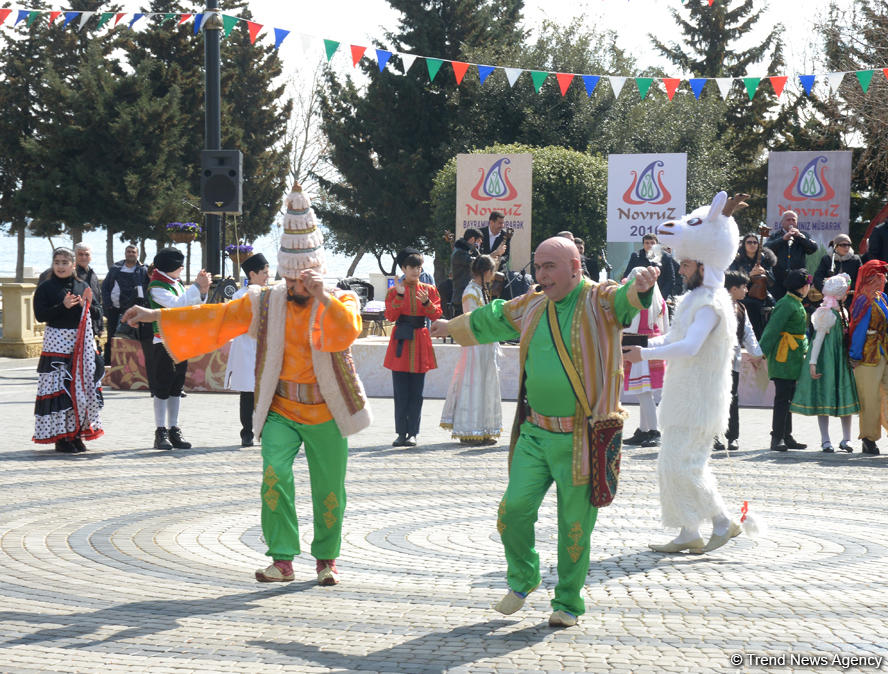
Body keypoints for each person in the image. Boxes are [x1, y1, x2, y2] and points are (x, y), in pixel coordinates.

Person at [123, 183, 371, 586]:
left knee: (329, 490)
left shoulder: (339, 300)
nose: (294, 290)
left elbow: (346, 334)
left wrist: (322, 296)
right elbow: (216, 318)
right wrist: (154, 317)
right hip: (282, 409)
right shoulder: (267, 299)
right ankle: (283, 560)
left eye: (302, 283)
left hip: (327, 411)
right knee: (274, 474)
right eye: (290, 282)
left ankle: (326, 559)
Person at [431, 236, 658, 628]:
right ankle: (524, 577)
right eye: (537, 266)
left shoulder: (598, 299)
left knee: (574, 527)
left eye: (549, 266)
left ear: (575, 266)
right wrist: (450, 326)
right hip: (535, 433)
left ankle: (568, 602)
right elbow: (493, 317)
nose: (541, 275)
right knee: (512, 511)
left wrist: (642, 287)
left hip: (582, 439)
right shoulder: (533, 302)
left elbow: (626, 300)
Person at [624, 192, 748, 556]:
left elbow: (690, 346)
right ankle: (688, 530)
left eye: (686, 264)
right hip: (684, 396)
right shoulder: (696, 299)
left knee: (686, 465)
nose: (679, 269)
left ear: (703, 265)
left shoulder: (710, 303)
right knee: (672, 464)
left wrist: (645, 352)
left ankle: (723, 521)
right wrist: (641, 341)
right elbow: (675, 337)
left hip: (700, 398)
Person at [32, 247, 104, 453]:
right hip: (56, 345)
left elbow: (98, 312)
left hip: (81, 345)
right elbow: (40, 315)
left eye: (65, 262)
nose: (61, 266)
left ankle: (77, 433)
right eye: (57, 262)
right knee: (59, 389)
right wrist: (63, 306)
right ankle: (61, 437)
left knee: (80, 389)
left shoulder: (82, 285)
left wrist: (87, 304)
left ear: (73, 265)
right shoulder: (46, 288)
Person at [146, 247, 210, 450]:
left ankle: (174, 428)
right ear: (168, 267)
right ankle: (160, 430)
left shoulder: (176, 283)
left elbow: (191, 305)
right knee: (162, 388)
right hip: (163, 341)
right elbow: (176, 306)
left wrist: (203, 291)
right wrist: (196, 288)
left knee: (176, 387)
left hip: (180, 342)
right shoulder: (157, 286)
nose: (181, 268)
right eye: (178, 265)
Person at [791, 273, 859, 453]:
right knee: (824, 397)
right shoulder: (826, 313)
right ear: (840, 294)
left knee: (844, 397)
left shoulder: (842, 311)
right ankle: (825, 439)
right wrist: (812, 362)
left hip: (841, 360)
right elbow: (818, 339)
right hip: (827, 360)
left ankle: (847, 439)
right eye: (845, 292)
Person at [440, 255, 502, 445]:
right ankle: (469, 431)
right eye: (492, 271)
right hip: (475, 346)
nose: (493, 275)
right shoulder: (470, 292)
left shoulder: (481, 290)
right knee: (473, 384)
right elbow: (471, 320)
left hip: (485, 344)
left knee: (485, 385)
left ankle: (483, 429)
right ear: (485, 272)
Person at [384, 248, 443, 447]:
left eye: (419, 267)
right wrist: (400, 297)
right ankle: (401, 432)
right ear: (403, 268)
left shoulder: (429, 289)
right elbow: (390, 316)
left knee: (417, 393)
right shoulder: (393, 291)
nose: (416, 271)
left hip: (420, 341)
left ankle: (413, 433)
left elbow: (436, 315)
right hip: (401, 342)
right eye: (412, 267)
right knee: (400, 393)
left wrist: (426, 302)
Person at [759, 269, 812, 452]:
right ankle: (777, 438)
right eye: (807, 285)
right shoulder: (786, 304)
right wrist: (761, 352)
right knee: (782, 398)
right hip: (783, 356)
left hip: (793, 356)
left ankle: (787, 435)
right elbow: (772, 329)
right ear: (802, 287)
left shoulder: (795, 303)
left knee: (789, 397)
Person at [224, 253, 269, 447]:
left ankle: (265, 431)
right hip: (246, 349)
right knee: (248, 394)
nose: (268, 275)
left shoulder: (269, 293)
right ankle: (247, 432)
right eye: (265, 272)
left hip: (265, 350)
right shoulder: (239, 296)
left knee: (266, 393)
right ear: (253, 273)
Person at [621, 267, 668, 449]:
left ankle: (654, 431)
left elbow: (627, 325)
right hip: (654, 344)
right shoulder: (660, 300)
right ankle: (643, 429)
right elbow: (665, 328)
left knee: (644, 392)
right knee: (644, 392)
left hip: (637, 345)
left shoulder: (635, 300)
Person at [718, 270, 764, 452]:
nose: (746, 290)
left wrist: (756, 353)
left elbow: (748, 333)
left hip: (733, 360)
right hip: (715, 360)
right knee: (715, 398)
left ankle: (732, 436)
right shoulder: (716, 307)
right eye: (744, 287)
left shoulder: (741, 308)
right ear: (733, 288)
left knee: (732, 398)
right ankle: (714, 435)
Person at [848, 260, 888, 455]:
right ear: (872, 278)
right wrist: (854, 355)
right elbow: (859, 330)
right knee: (870, 399)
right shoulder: (864, 300)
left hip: (884, 353)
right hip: (866, 357)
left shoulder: (883, 298)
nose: (885, 279)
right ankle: (869, 439)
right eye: (882, 276)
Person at [101, 244, 149, 365]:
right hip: (114, 309)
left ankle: (132, 365)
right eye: (129, 252)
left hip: (134, 310)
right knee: (112, 337)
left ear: (137, 254)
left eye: (133, 252)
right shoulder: (115, 268)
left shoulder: (143, 270)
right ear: (125, 253)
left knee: (133, 339)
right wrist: (108, 304)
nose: (131, 254)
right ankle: (109, 364)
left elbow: (146, 289)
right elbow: (105, 287)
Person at [728, 233, 777, 339]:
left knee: (775, 307)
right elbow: (733, 279)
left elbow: (772, 282)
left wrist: (765, 273)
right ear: (744, 244)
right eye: (749, 242)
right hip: (741, 294)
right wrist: (749, 275)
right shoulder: (737, 259)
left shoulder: (765, 259)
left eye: (755, 242)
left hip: (761, 294)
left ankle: (763, 341)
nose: (752, 244)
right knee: (752, 305)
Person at [764, 211, 818, 300]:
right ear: (782, 223)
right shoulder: (775, 235)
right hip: (779, 279)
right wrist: (783, 239)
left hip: (798, 279)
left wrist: (800, 237)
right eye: (788, 220)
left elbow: (813, 248)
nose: (791, 222)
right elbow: (766, 248)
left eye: (793, 220)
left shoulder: (803, 235)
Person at [623, 233, 679, 302]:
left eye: (652, 243)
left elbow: (670, 280)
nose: (650, 245)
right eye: (647, 243)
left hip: (660, 296)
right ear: (643, 244)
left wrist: (661, 298)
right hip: (640, 296)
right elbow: (627, 276)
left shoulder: (666, 257)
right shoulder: (636, 256)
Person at [813, 234, 861, 299]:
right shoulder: (827, 259)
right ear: (835, 246)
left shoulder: (855, 260)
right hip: (829, 297)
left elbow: (861, 279)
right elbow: (817, 277)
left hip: (849, 297)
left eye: (849, 245)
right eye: (843, 245)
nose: (847, 247)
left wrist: (845, 288)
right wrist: (826, 290)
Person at [449, 228, 482, 317]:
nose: (480, 243)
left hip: (468, 295)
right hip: (461, 298)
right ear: (472, 239)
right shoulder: (459, 253)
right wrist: (495, 253)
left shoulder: (466, 251)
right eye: (478, 241)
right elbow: (477, 262)